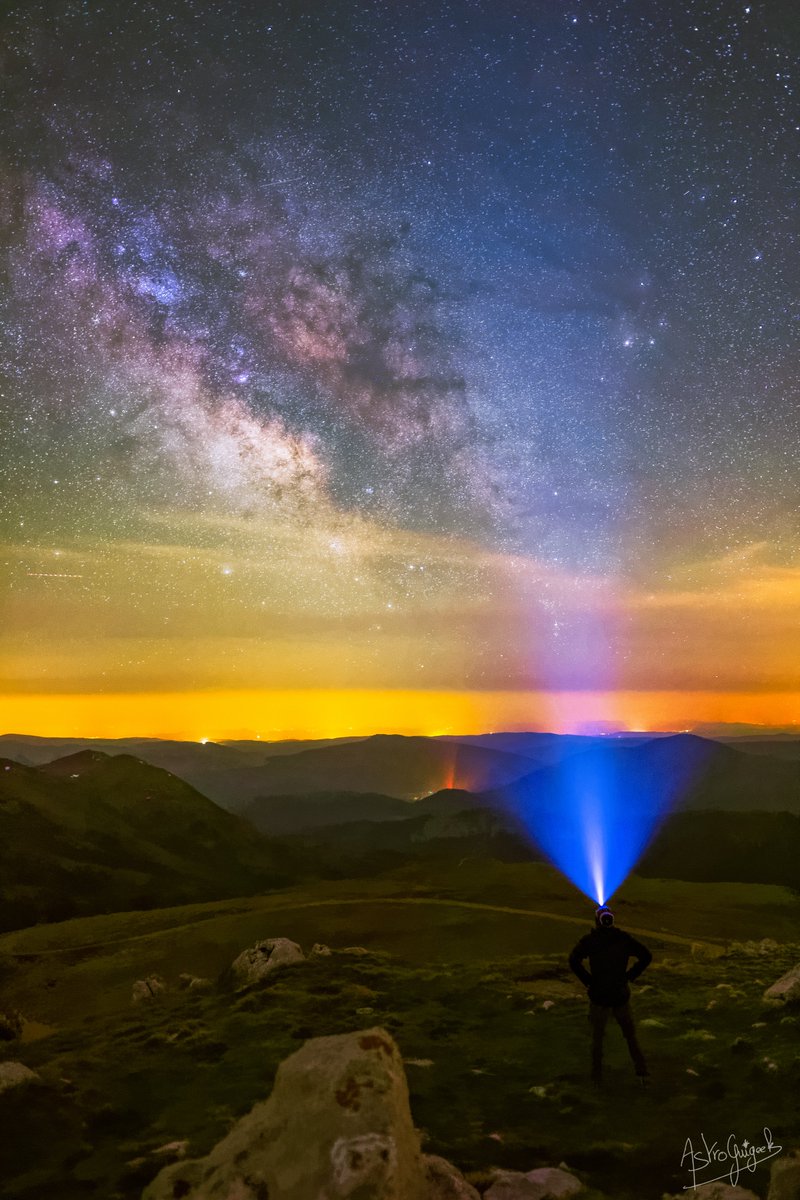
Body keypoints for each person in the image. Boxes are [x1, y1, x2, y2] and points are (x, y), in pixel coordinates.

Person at [568, 905, 652, 1085]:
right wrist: (630, 976)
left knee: (597, 1038)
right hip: (620, 994)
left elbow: (573, 960)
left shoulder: (591, 940)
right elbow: (646, 956)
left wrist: (588, 980)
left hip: (599, 996)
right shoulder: (623, 939)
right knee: (630, 1036)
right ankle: (642, 1073)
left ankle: (596, 1077)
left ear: (597, 921)